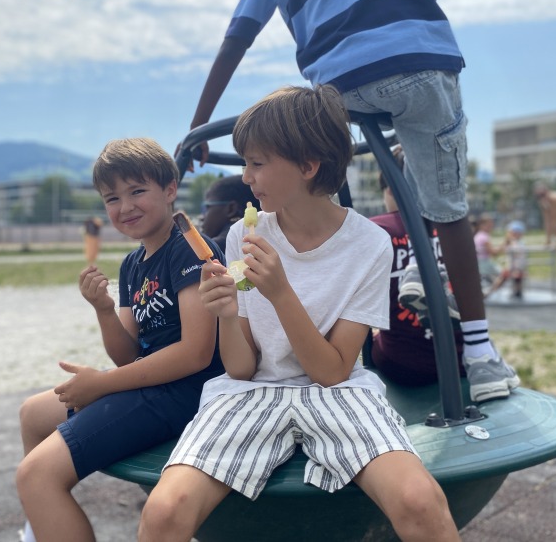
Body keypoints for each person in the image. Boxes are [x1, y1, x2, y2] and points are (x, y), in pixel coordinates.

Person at [183, 0, 517, 402]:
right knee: (448, 202)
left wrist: (197, 124)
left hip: (337, 82)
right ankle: (480, 353)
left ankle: (417, 264)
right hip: (417, 55)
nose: (247, 175)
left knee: (352, 171)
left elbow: (238, 37)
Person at [140, 86, 460, 542]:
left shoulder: (369, 244)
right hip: (252, 390)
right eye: (245, 163)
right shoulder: (243, 235)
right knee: (163, 511)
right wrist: (227, 314)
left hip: (340, 391)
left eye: (257, 163)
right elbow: (242, 368)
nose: (246, 177)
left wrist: (281, 293)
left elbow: (332, 371)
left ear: (308, 166)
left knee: (420, 501)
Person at [15, 137, 224, 542]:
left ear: (170, 189)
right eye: (112, 198)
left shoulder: (187, 249)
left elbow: (196, 354)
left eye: (137, 191)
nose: (125, 206)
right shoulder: (132, 265)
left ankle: (42, 508)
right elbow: (127, 356)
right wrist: (104, 310)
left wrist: (102, 383)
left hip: (187, 394)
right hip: (150, 385)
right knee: (32, 414)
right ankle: (43, 522)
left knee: (36, 476)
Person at [369, 154, 464, 387]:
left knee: (374, 334)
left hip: (402, 364)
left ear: (389, 189)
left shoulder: (376, 229)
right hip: (460, 362)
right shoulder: (453, 226)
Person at [200, 174, 256, 253]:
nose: (202, 217)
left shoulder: (212, 249)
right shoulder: (262, 237)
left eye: (207, 207)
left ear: (231, 209)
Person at [486, 220, 528, 300]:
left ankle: (517, 292)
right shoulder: (513, 242)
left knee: (515, 278)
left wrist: (509, 243)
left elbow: (515, 250)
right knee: (504, 278)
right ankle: (493, 290)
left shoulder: (518, 243)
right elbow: (505, 250)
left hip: (516, 266)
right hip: (512, 266)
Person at [474, 213, 505, 293]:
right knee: (504, 274)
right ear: (482, 225)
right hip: (484, 262)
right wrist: (505, 244)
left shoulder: (478, 235)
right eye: (489, 225)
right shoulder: (484, 237)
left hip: (479, 262)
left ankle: (490, 291)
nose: (491, 226)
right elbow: (494, 253)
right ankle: (491, 293)